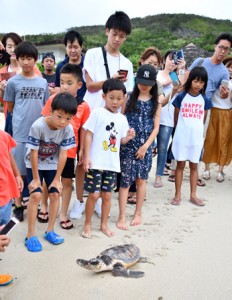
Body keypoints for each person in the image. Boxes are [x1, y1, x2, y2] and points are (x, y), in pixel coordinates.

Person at [75, 11, 134, 218]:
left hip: (112, 120)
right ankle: (79, 200)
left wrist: (122, 122)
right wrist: (111, 79)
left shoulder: (127, 63)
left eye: (122, 36)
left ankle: (98, 200)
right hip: (91, 114)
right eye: (114, 34)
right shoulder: (92, 54)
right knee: (84, 159)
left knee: (104, 161)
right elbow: (90, 86)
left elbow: (125, 97)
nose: (117, 39)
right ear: (107, 31)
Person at [81, 78, 135, 238]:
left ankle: (103, 224)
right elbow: (88, 134)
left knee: (107, 195)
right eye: (111, 97)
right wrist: (86, 156)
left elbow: (121, 141)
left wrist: (129, 137)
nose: (115, 102)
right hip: (95, 162)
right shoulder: (97, 112)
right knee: (94, 194)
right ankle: (87, 224)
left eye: (119, 98)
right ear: (104, 96)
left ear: (124, 98)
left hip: (112, 164)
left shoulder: (122, 119)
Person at [24, 92, 77, 252]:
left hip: (52, 164)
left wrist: (57, 179)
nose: (63, 122)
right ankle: (30, 235)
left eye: (68, 118)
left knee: (55, 193)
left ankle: (50, 230)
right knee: (36, 195)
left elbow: (63, 153)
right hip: (34, 164)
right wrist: (35, 179)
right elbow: (33, 152)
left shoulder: (68, 129)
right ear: (51, 111)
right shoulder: (38, 126)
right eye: (59, 116)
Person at [4, 41, 49, 222]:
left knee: (37, 171)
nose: (26, 62)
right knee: (19, 172)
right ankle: (18, 205)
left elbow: (46, 107)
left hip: (39, 134)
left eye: (29, 58)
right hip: (20, 132)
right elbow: (11, 107)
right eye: (22, 58)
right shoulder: (13, 82)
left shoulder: (43, 82)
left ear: (35, 60)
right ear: (17, 59)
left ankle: (36, 203)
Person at [41, 64, 90, 227]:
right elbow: (44, 122)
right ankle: (44, 207)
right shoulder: (52, 100)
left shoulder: (84, 105)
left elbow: (84, 129)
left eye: (69, 83)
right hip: (50, 150)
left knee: (67, 181)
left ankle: (63, 213)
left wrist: (82, 150)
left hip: (69, 151)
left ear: (79, 85)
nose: (65, 86)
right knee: (47, 180)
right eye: (62, 82)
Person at [117, 64, 161, 230]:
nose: (144, 85)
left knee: (141, 181)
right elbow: (120, 119)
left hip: (145, 148)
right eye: (141, 81)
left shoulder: (156, 103)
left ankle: (138, 212)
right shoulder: (128, 98)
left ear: (154, 83)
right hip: (128, 146)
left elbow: (156, 127)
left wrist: (146, 147)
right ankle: (121, 215)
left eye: (148, 83)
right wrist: (125, 138)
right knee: (125, 182)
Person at [188, 33, 232, 181]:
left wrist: (225, 94)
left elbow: (223, 95)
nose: (223, 51)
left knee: (202, 139)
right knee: (182, 135)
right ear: (215, 46)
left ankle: (199, 172)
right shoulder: (200, 61)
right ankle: (175, 170)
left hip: (205, 107)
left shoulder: (224, 72)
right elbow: (186, 77)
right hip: (189, 103)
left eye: (226, 49)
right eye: (221, 47)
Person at [171, 66, 212, 206]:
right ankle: (177, 194)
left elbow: (203, 119)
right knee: (180, 165)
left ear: (204, 84)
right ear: (190, 80)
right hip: (182, 137)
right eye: (195, 81)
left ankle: (193, 195)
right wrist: (180, 129)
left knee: (194, 166)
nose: (198, 85)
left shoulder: (204, 100)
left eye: (201, 82)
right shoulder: (182, 97)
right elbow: (176, 118)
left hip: (196, 139)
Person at [153, 50, 184, 188]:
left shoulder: (178, 76)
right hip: (153, 116)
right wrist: (172, 80)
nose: (173, 62)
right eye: (170, 59)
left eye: (175, 60)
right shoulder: (157, 74)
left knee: (163, 148)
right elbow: (159, 85)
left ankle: (158, 176)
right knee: (149, 146)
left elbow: (183, 88)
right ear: (164, 60)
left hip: (168, 118)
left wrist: (182, 70)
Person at [202, 56, 232, 182]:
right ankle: (207, 168)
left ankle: (220, 170)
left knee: (223, 141)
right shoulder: (215, 78)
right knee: (209, 139)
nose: (230, 70)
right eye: (228, 67)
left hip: (227, 113)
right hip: (212, 110)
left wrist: (228, 94)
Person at [0, 130, 23, 226]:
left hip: (6, 194)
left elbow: (9, 155)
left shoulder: (3, 136)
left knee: (4, 227)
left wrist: (17, 174)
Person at [55, 30, 86, 99]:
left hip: (85, 105)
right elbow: (58, 87)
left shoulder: (88, 65)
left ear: (81, 47)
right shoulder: (60, 66)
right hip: (67, 105)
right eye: (70, 47)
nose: (73, 50)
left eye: (75, 47)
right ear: (66, 47)